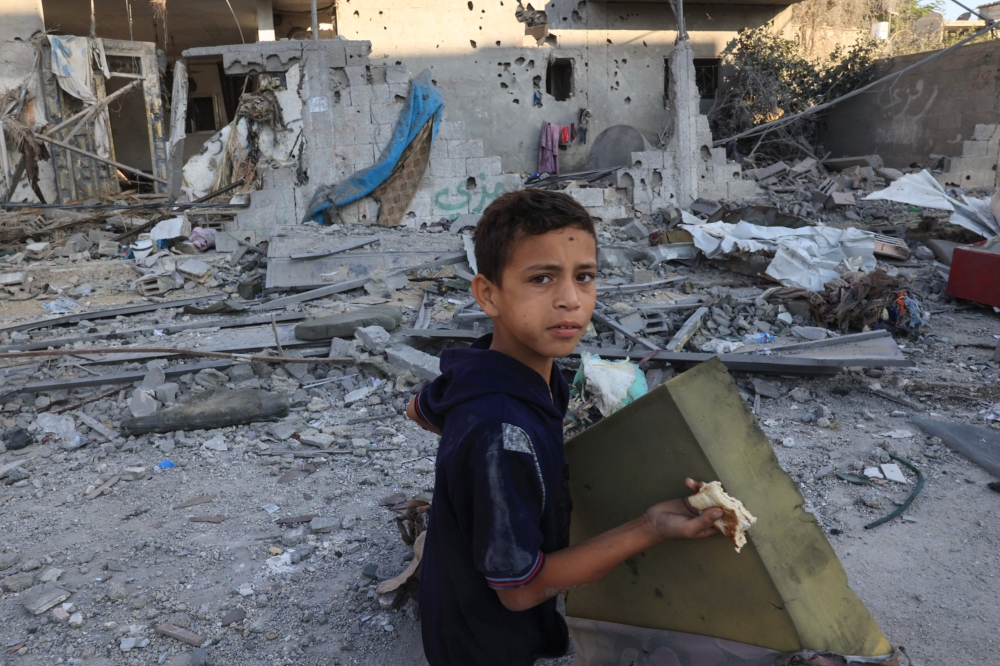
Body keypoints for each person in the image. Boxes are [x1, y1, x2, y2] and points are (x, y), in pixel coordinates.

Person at [406, 189, 724, 666]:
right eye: (541, 278)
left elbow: (419, 409)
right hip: (483, 643)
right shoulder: (503, 433)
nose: (571, 300)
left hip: (454, 592)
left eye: (585, 277)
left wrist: (477, 471)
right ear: (487, 294)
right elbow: (520, 590)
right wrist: (649, 526)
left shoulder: (488, 367)